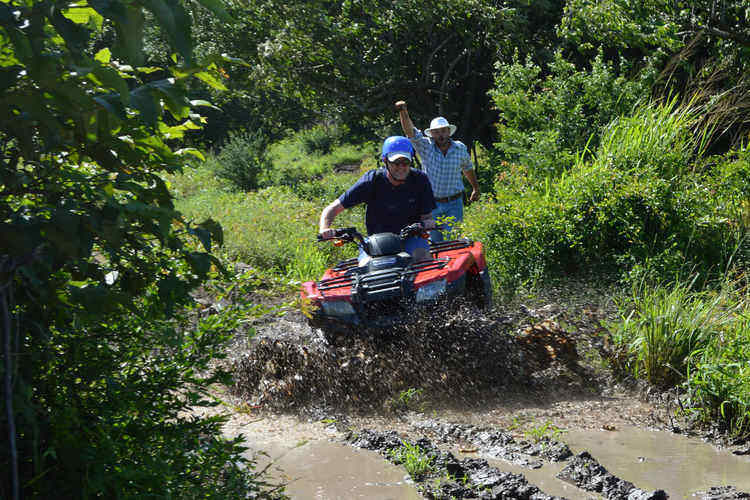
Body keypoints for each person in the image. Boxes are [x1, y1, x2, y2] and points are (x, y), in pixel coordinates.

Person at [318, 136, 437, 262]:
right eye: (396, 163)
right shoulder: (372, 181)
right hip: (376, 240)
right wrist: (324, 229)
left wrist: (427, 223)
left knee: (422, 258)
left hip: (412, 237)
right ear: (385, 161)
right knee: (365, 265)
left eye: (405, 163)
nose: (401, 167)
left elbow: (427, 217)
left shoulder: (420, 180)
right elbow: (332, 208)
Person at [395, 100, 480, 241]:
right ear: (432, 134)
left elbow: (467, 167)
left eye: (443, 131)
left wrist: (475, 188)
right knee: (434, 243)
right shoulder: (425, 146)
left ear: (449, 132)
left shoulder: (460, 148)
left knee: (453, 240)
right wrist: (403, 111)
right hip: (431, 205)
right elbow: (410, 132)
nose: (441, 135)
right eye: (436, 132)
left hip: (454, 203)